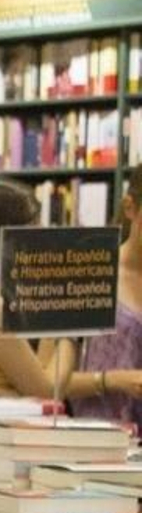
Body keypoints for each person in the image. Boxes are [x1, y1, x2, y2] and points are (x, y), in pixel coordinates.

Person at [0, 178, 142, 401]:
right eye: (31, 232)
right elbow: (48, 390)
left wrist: (54, 318)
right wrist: (72, 328)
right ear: (0, 237)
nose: (37, 244)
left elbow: (41, 371)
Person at [74, 165, 142, 427]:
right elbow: (49, 379)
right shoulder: (91, 273)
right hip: (98, 444)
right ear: (130, 207)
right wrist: (113, 380)